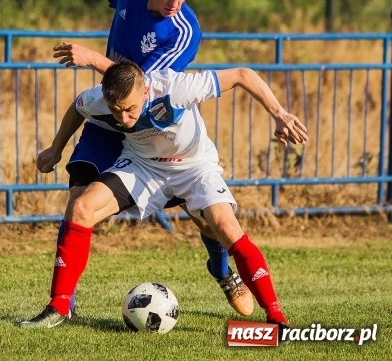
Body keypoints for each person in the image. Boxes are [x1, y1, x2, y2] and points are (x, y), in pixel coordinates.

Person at [47, 0, 252, 320]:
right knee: (80, 201)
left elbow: (143, 86)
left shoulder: (183, 32)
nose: (175, 4)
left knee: (206, 218)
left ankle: (220, 269)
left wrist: (91, 59)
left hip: (152, 124)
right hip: (110, 115)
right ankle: (64, 302)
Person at [21, 61, 308, 328]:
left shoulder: (176, 88)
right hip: (143, 167)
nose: (124, 118)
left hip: (194, 168)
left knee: (224, 227)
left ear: (146, 90)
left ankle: (275, 317)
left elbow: (243, 75)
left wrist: (279, 114)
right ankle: (59, 307)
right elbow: (77, 107)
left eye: (131, 109)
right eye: (116, 110)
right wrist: (56, 147)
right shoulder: (99, 98)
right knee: (81, 208)